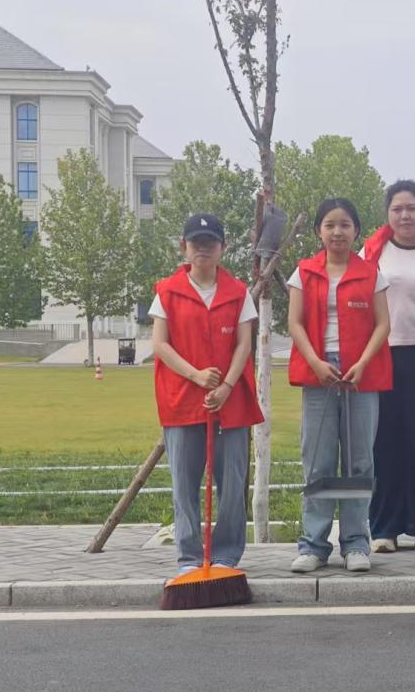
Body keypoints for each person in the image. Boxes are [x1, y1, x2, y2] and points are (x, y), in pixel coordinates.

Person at [148, 214, 263, 574]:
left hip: (232, 401)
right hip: (182, 398)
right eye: (195, 242)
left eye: (210, 242)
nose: (202, 248)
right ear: (183, 247)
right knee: (184, 484)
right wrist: (196, 375)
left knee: (232, 482)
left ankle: (227, 554)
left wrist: (226, 385)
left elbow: (244, 344)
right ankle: (190, 557)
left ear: (222, 248)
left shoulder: (238, 292)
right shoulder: (167, 292)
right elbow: (160, 344)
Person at [287, 198, 391, 573]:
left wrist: (362, 363)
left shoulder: (371, 273)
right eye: (330, 225)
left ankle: (356, 543)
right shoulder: (304, 272)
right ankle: (314, 545)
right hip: (320, 372)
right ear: (319, 230)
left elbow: (383, 324)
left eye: (345, 225)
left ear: (356, 231)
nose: (337, 232)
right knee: (318, 460)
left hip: (360, 373)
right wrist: (316, 362)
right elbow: (295, 323)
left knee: (359, 461)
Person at [360, 180, 415, 555]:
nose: (405, 215)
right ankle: (384, 528)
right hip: (381, 355)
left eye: (412, 208)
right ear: (387, 214)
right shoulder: (372, 252)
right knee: (384, 444)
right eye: (397, 209)